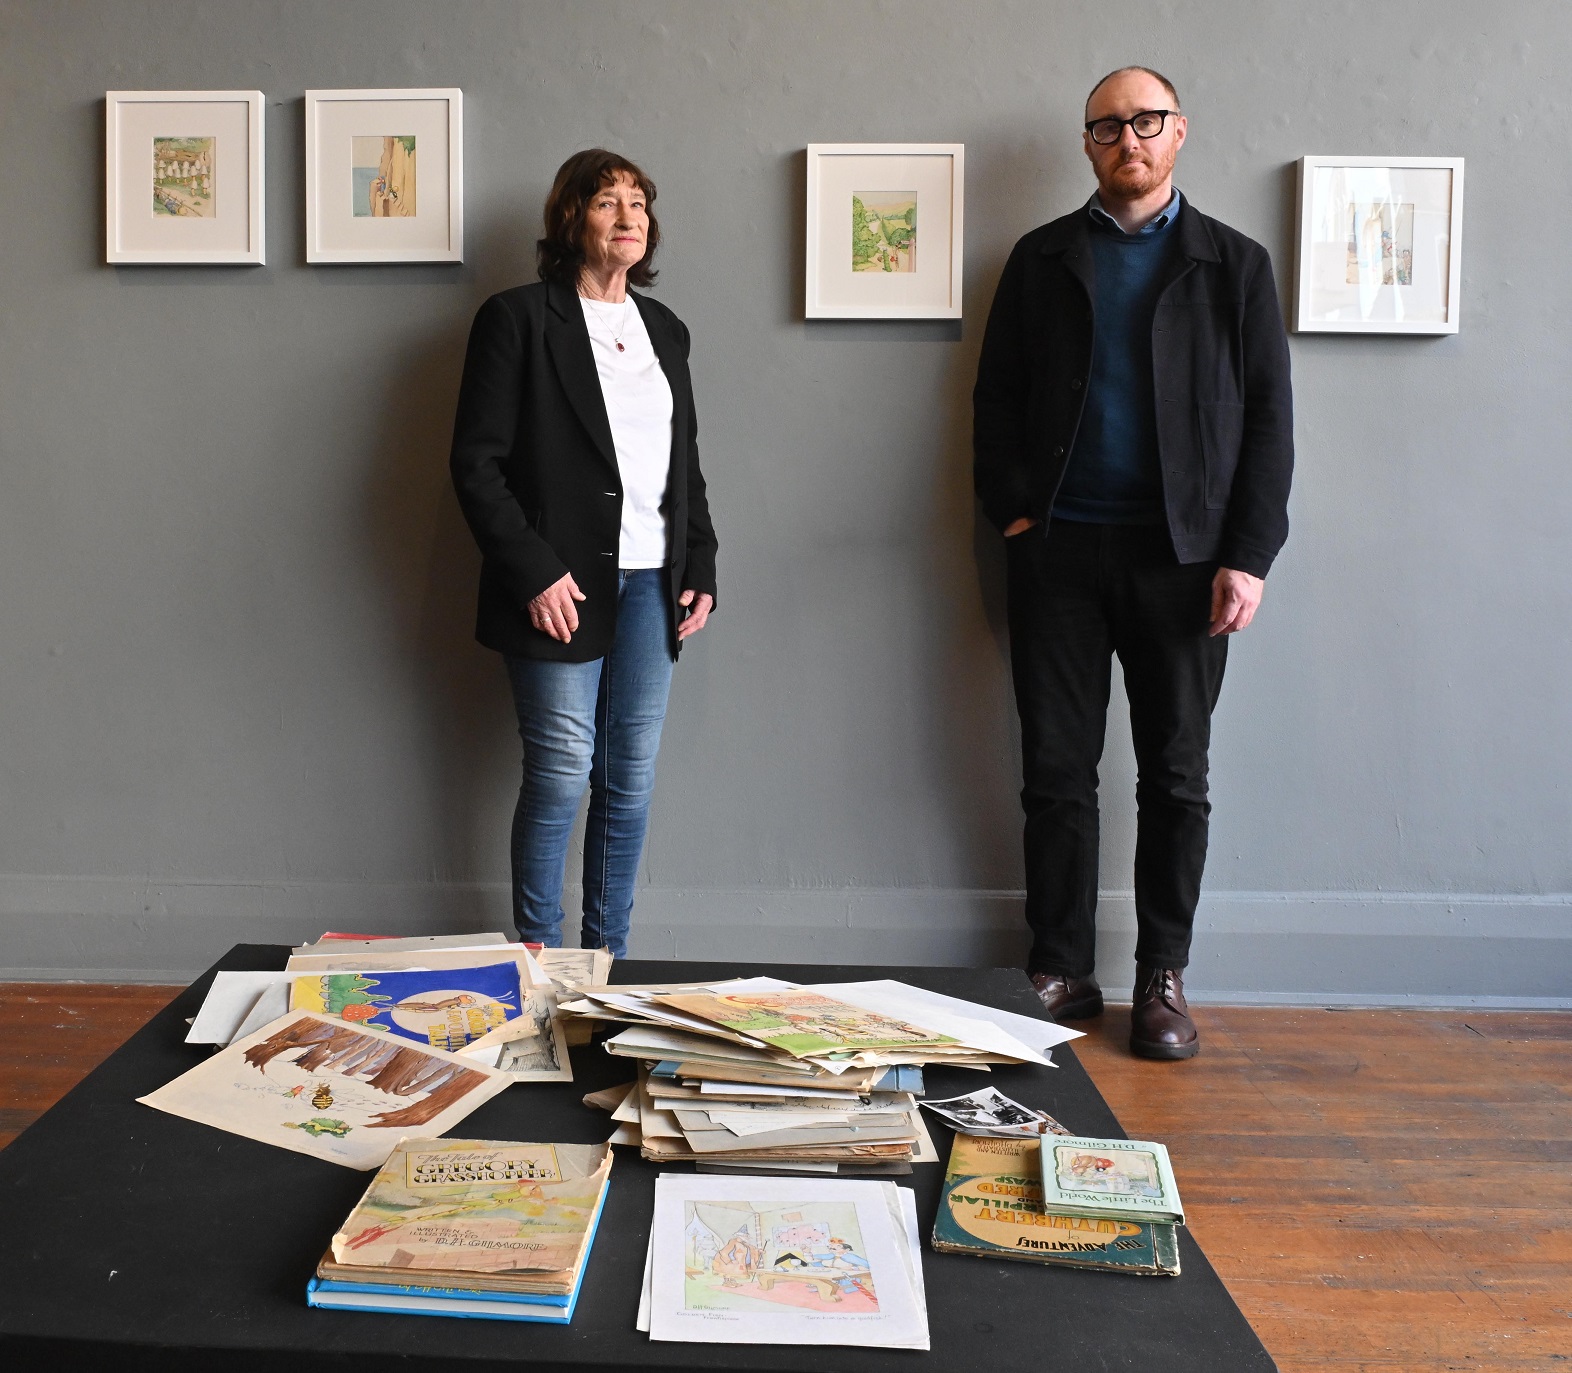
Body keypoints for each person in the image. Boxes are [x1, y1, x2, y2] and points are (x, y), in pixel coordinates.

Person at [973, 68, 1293, 1059]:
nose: (1129, 140)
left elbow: (1271, 423)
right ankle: (1061, 964)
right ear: (1088, 144)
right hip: (1061, 554)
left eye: (1146, 122)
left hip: (1185, 563)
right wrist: (1017, 518)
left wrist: (1247, 555)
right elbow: (994, 401)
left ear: (1179, 132)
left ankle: (1163, 977)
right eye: (1108, 126)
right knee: (1056, 772)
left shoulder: (1232, 264)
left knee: (1177, 774)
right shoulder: (1039, 260)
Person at [450, 149, 718, 958]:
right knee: (563, 771)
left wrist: (699, 562)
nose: (630, 215)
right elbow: (477, 462)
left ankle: (603, 964)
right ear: (572, 219)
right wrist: (531, 569)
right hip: (559, 583)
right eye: (608, 201)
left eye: (640, 201)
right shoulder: (518, 318)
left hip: (653, 581)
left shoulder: (665, 329)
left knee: (628, 783)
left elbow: (684, 462)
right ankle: (540, 959)